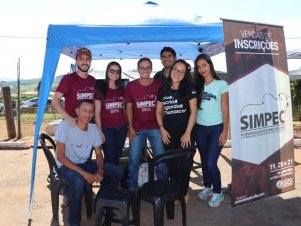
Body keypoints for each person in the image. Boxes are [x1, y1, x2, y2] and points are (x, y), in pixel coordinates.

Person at [54, 99, 123, 226]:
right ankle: (74, 222)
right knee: (79, 181)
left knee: (117, 171)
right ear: (77, 112)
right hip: (65, 166)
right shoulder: (65, 125)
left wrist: (100, 171)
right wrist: (84, 173)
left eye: (91, 112)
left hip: (84, 163)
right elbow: (60, 156)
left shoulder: (93, 128)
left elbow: (98, 154)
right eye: (84, 111)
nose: (88, 115)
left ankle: (101, 201)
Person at [193, 53, 229, 208]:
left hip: (216, 128)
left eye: (204, 65)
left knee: (210, 162)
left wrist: (225, 130)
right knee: (204, 160)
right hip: (200, 128)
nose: (201, 69)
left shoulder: (221, 84)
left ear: (210, 65)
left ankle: (218, 191)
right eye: (198, 66)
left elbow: (225, 108)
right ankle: (207, 186)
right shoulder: (197, 85)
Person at [125, 57, 165, 190]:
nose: (145, 70)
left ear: (151, 69)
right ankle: (132, 188)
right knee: (134, 160)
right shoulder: (131, 86)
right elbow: (129, 107)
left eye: (148, 67)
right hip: (137, 128)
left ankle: (161, 186)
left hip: (155, 127)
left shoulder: (159, 84)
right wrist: (130, 127)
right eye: (142, 67)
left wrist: (162, 126)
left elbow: (162, 107)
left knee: (160, 160)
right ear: (138, 69)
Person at [156, 59, 197, 150]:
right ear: (171, 70)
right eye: (175, 69)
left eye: (182, 72)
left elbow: (194, 112)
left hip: (186, 132)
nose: (177, 73)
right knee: (171, 162)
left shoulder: (189, 88)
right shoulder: (163, 89)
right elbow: (158, 112)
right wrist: (162, 129)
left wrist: (188, 133)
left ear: (185, 75)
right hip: (168, 133)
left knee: (185, 162)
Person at [51, 47, 98, 127]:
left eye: (87, 59)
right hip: (72, 125)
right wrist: (67, 117)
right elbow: (55, 100)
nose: (84, 62)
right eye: (81, 59)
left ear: (90, 61)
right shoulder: (68, 79)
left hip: (89, 125)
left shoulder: (93, 80)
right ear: (76, 61)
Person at [95, 61, 128, 165]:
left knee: (117, 156)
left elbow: (124, 109)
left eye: (118, 71)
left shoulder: (123, 89)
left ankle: (114, 180)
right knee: (109, 157)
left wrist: (127, 126)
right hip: (107, 129)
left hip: (121, 128)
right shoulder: (100, 89)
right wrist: (100, 131)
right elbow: (97, 112)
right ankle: (108, 181)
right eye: (112, 70)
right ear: (107, 72)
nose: (115, 73)